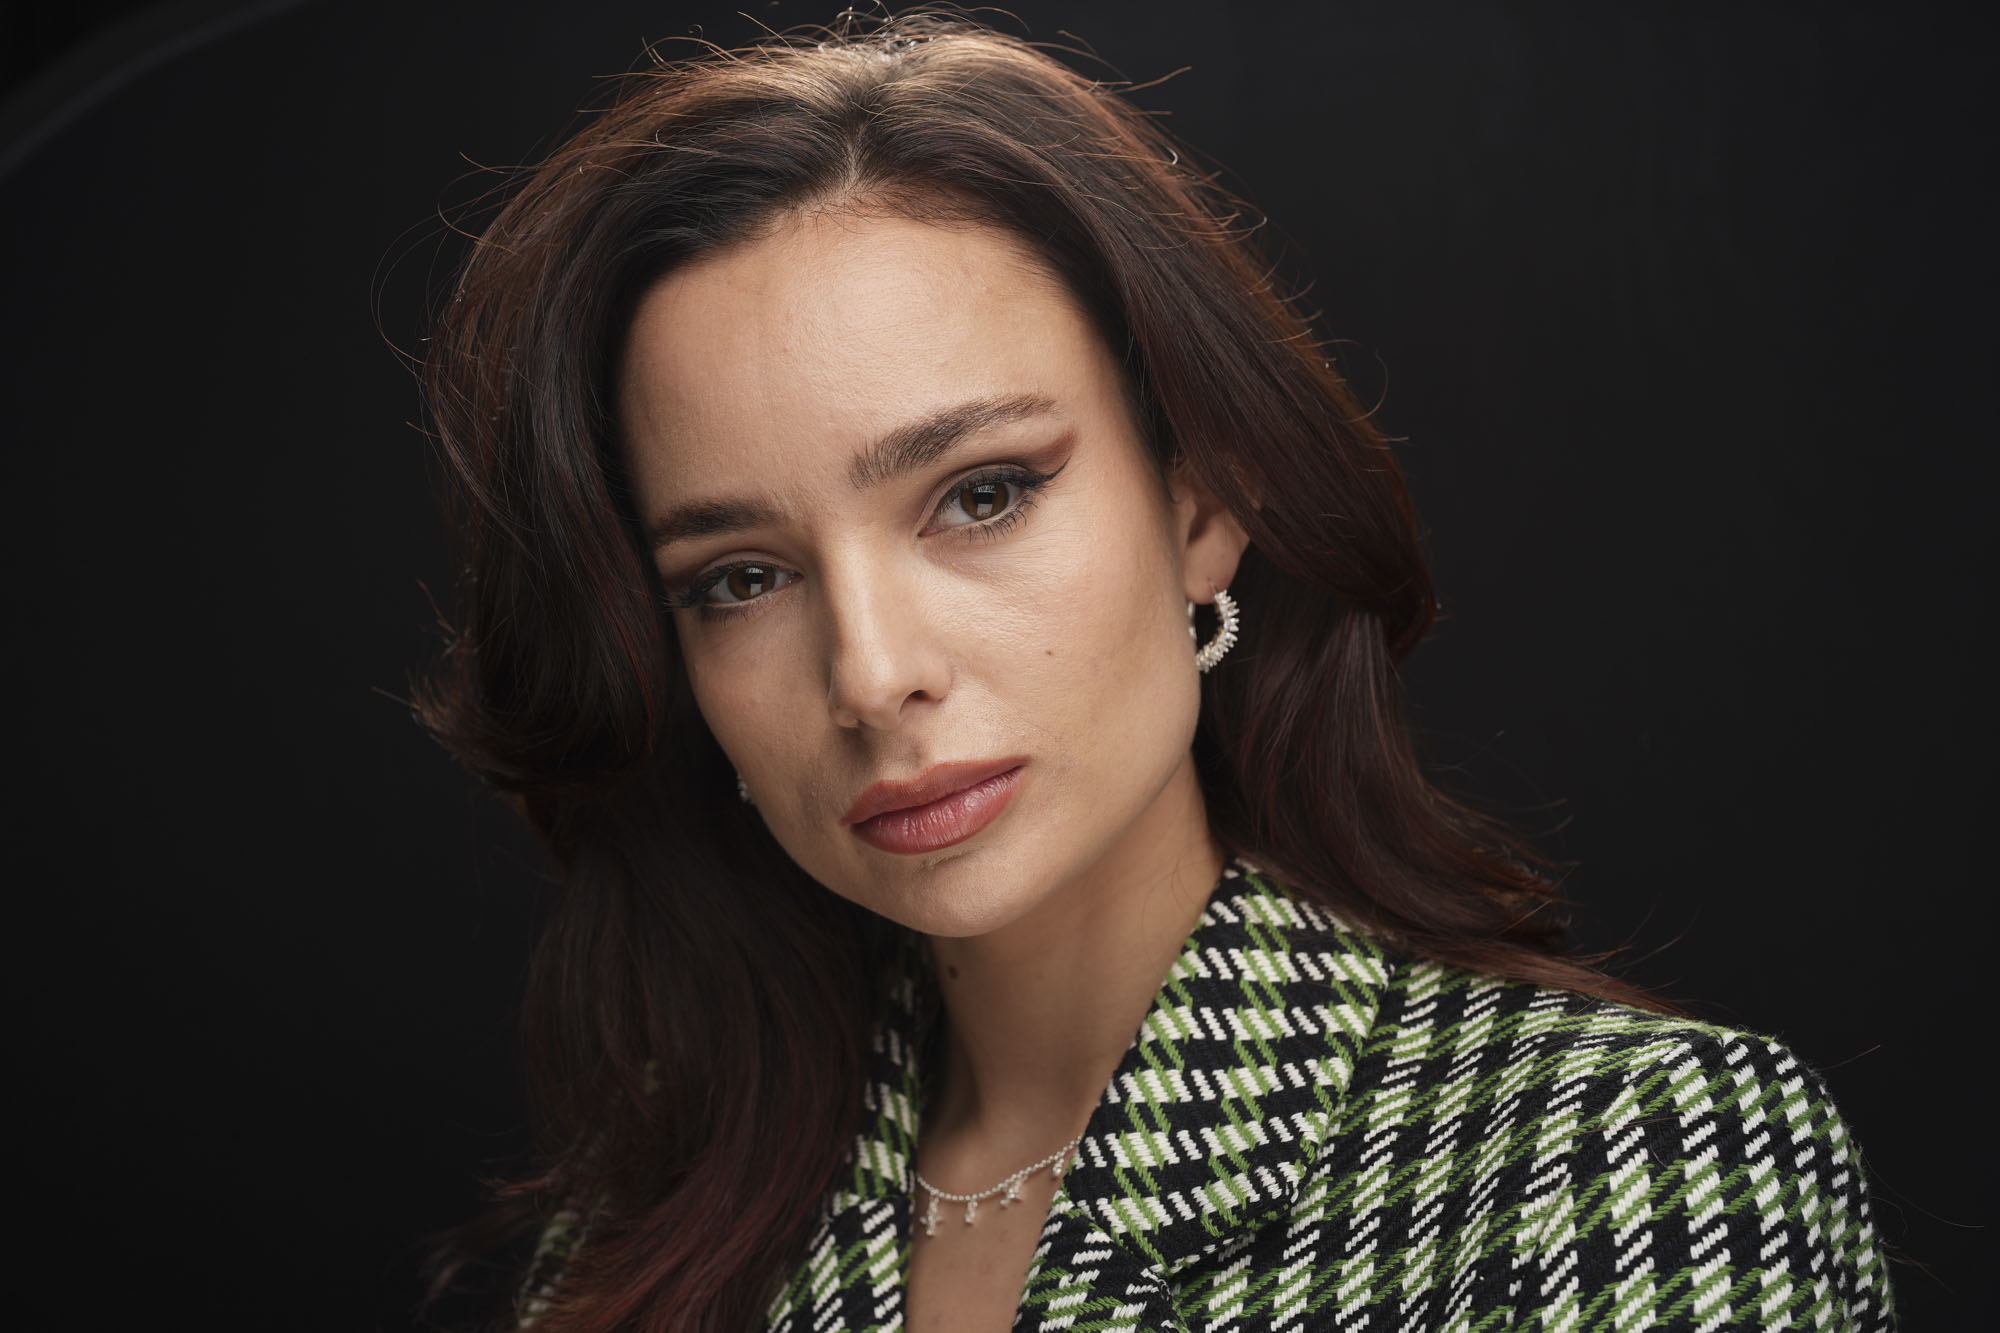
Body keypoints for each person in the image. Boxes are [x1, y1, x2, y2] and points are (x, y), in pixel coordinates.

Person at [415, 13, 1895, 1331]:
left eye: (981, 494)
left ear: (1201, 507)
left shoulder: (1622, 1161)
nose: (870, 672)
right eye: (740, 578)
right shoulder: (636, 1254)